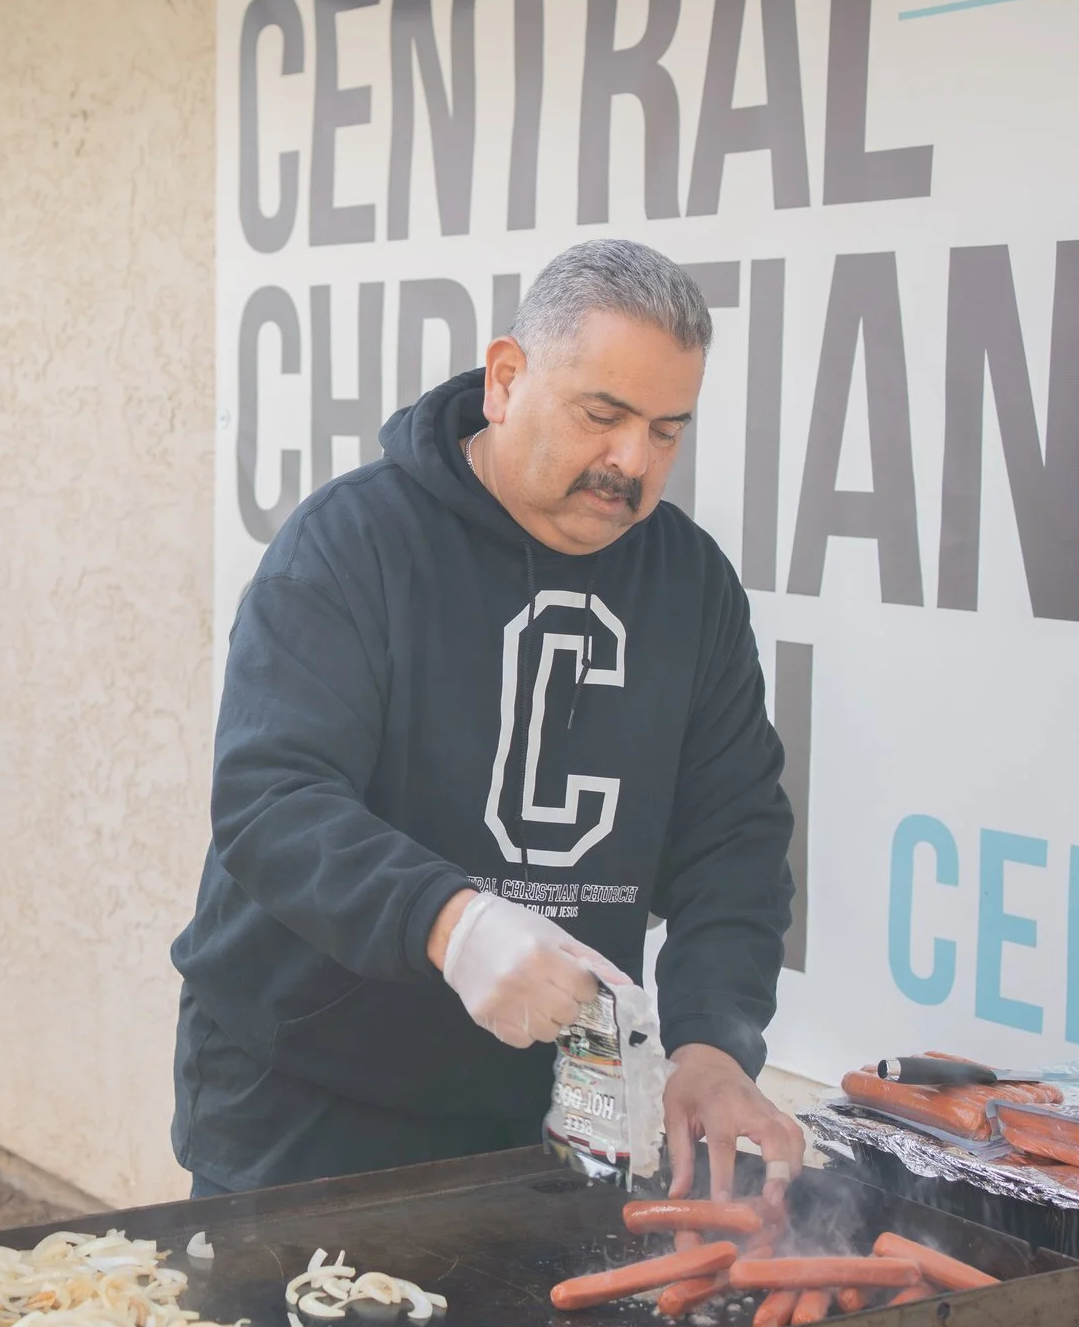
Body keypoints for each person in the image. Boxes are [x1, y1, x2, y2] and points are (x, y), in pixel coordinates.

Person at [172, 238, 805, 1202]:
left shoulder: (692, 586)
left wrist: (713, 1044)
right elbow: (273, 802)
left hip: (549, 1115)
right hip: (306, 1105)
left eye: (667, 430)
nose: (632, 461)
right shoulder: (351, 544)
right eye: (603, 416)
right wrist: (450, 922)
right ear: (506, 379)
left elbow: (737, 842)